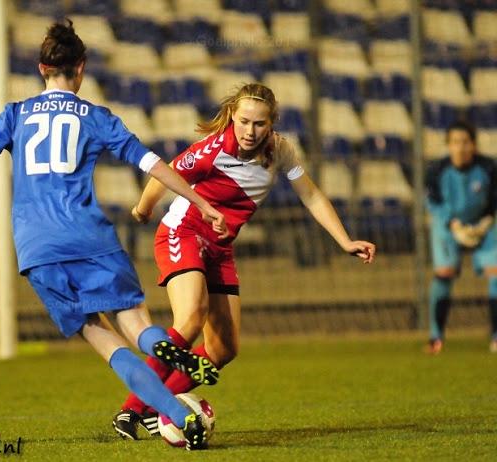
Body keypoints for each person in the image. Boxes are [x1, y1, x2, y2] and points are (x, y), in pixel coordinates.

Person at [0, 20, 231, 450]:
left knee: (102, 340)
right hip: (90, 238)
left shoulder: (15, 115)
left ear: (43, 68)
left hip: (37, 249)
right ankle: (161, 348)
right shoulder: (97, 117)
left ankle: (179, 418)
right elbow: (152, 164)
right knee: (137, 325)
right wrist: (204, 204)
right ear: (80, 68)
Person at [112, 82, 376, 440]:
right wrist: (143, 210)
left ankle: (162, 407)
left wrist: (344, 240)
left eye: (260, 124)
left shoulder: (280, 151)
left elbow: (311, 195)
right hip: (183, 232)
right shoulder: (212, 149)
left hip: (220, 248)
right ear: (232, 117)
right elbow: (167, 170)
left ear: (272, 124)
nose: (250, 131)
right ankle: (131, 410)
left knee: (223, 349)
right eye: (244, 121)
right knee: (190, 318)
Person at [424, 120, 497, 355]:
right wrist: (453, 224)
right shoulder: (436, 171)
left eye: (466, 142)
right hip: (448, 226)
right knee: (443, 275)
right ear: (448, 145)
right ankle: (436, 337)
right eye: (456, 142)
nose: (461, 147)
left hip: (483, 225)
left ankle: (496, 337)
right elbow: (432, 203)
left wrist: (485, 223)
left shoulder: (489, 168)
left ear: (474, 145)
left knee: (496, 273)